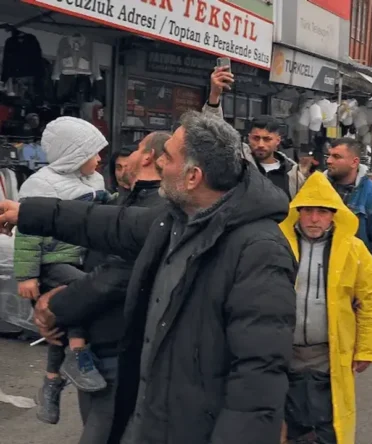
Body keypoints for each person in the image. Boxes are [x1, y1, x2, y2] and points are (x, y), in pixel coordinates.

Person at [0, 110, 297, 444]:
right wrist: (27, 212)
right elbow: (109, 223)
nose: (158, 164)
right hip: (151, 417)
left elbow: (258, 378)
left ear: (192, 176)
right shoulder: (177, 219)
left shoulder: (259, 250)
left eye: (167, 157)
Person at [32, 132, 168, 444]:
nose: (125, 161)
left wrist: (57, 306)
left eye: (135, 152)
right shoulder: (124, 200)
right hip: (94, 345)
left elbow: (115, 278)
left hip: (120, 347)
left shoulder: (155, 208)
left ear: (146, 157)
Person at [14, 117, 109, 425]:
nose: (99, 159)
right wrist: (26, 275)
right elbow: (27, 233)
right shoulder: (40, 185)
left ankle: (52, 382)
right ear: (74, 153)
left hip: (81, 257)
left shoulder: (95, 182)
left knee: (60, 325)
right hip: (51, 263)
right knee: (83, 291)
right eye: (93, 152)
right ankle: (79, 354)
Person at [278, 173, 372, 444]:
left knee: (328, 427)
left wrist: (366, 349)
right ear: (298, 212)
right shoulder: (278, 246)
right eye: (309, 211)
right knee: (287, 426)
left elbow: (371, 299)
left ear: (333, 215)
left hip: (329, 356)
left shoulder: (354, 251)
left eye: (322, 211)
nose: (314, 218)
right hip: (282, 355)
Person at [201, 65, 304, 199]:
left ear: (277, 140)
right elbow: (214, 131)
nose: (260, 144)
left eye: (267, 139)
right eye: (256, 138)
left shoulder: (293, 173)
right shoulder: (238, 160)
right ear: (249, 138)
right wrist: (214, 94)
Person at [325, 138, 372, 318]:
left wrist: (367, 286)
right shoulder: (317, 188)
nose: (329, 161)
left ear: (354, 162)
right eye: (329, 155)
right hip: (320, 275)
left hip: (355, 280)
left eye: (336, 156)